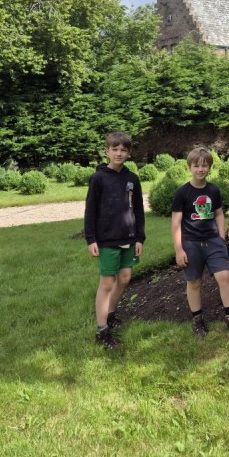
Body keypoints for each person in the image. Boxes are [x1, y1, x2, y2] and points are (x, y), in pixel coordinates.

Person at [171, 146, 229, 336]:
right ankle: (197, 319)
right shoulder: (182, 193)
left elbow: (219, 214)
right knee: (194, 282)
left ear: (209, 167)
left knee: (224, 276)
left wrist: (221, 237)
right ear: (190, 167)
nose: (200, 169)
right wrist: (179, 249)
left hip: (213, 241)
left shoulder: (213, 190)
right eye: (196, 166)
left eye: (204, 166)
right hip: (191, 243)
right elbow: (176, 223)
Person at [84, 131, 145, 350]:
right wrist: (91, 239)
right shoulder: (99, 178)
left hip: (128, 238)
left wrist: (139, 236)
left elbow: (138, 209)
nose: (119, 153)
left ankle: (109, 314)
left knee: (125, 278)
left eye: (123, 150)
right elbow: (90, 211)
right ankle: (102, 331)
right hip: (106, 239)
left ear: (128, 153)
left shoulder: (132, 179)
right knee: (107, 283)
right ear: (107, 151)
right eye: (115, 149)